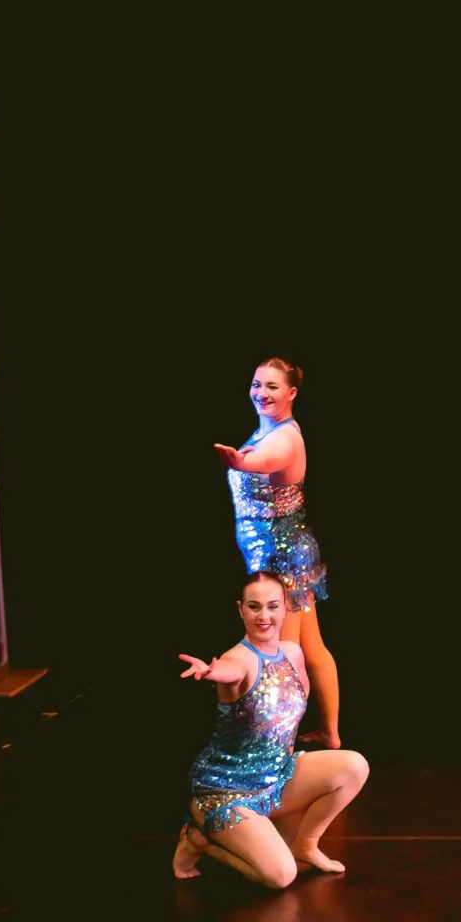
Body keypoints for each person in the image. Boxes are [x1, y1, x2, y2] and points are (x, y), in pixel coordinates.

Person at [173, 570, 370, 886]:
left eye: (272, 606)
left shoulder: (292, 653)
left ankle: (306, 844)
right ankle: (198, 840)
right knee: (280, 876)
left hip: (275, 777)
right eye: (254, 607)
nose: (264, 616)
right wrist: (210, 671)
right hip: (225, 791)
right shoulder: (237, 659)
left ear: (285, 608)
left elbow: (295, 703)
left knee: (355, 766)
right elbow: (231, 670)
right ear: (241, 610)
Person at [213, 357, 342, 747]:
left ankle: (279, 748)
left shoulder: (285, 438)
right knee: (311, 648)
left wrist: (242, 462)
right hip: (286, 552)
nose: (261, 393)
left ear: (291, 393)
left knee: (283, 655)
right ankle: (330, 734)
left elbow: (265, 461)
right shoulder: (268, 429)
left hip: (280, 558)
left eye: (272, 386)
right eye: (257, 384)